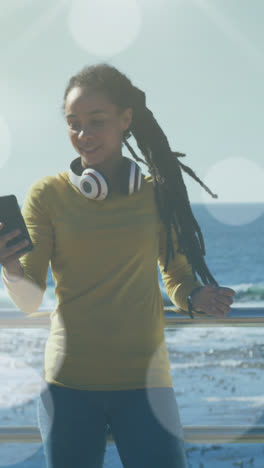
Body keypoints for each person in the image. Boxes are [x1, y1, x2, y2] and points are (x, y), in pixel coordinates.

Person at [0, 63, 235, 468]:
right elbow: (28, 300)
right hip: (67, 389)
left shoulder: (157, 196)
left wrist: (198, 295)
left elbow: (177, 277)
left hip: (147, 388)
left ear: (126, 119)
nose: (83, 134)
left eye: (96, 121)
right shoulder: (47, 195)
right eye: (73, 123)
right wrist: (10, 267)